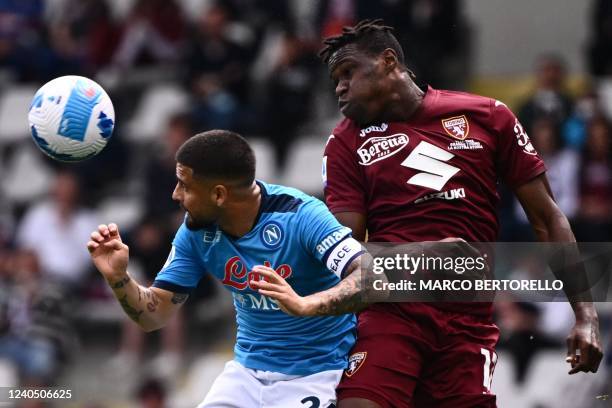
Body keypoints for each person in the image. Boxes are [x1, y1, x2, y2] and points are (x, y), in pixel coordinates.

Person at [251, 19, 603, 408]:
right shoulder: (344, 143)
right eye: (335, 79)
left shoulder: (488, 115)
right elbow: (342, 255)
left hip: (468, 321)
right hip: (390, 312)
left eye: (348, 72)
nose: (339, 87)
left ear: (387, 62)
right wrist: (424, 254)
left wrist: (585, 314)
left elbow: (548, 218)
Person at [86, 130, 362, 407]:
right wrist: (119, 278)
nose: (175, 195)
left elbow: (371, 275)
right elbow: (153, 316)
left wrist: (306, 305)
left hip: (314, 373)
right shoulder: (195, 231)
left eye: (184, 185)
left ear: (219, 194)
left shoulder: (301, 216)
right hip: (245, 375)